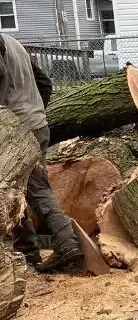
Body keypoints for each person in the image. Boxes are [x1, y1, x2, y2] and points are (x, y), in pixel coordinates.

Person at [0, 34, 83, 272]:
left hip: (14, 130)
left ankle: (66, 243)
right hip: (35, 124)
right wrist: (34, 112)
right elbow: (45, 83)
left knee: (30, 190)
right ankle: (28, 253)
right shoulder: (15, 44)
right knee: (15, 190)